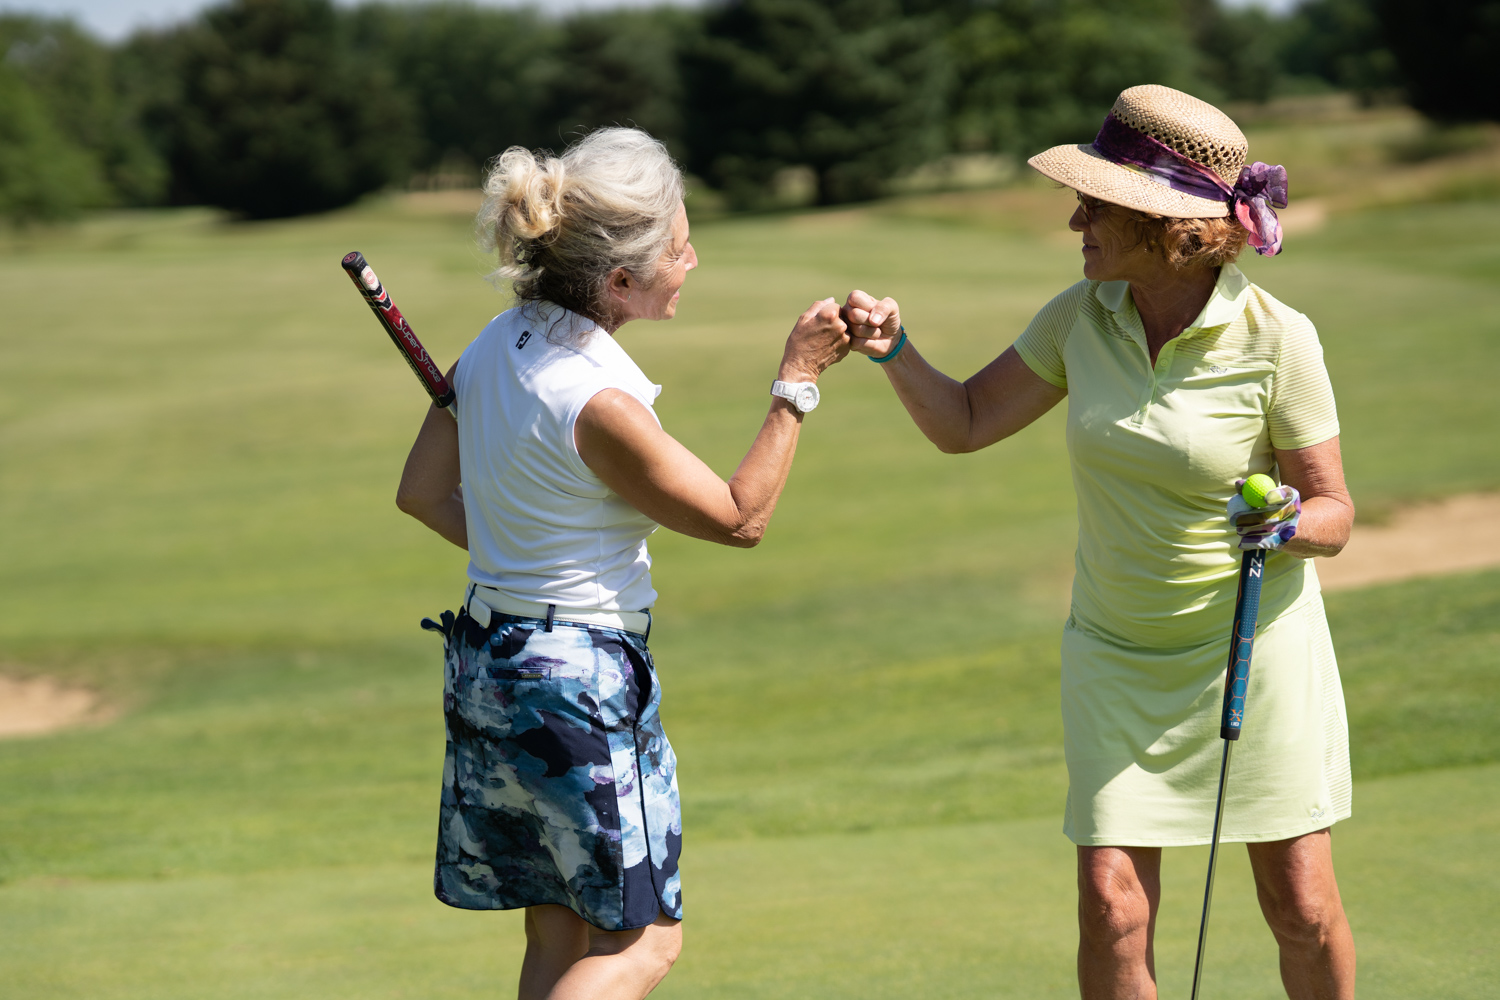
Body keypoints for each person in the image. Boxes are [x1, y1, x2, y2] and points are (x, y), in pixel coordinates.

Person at [842, 85, 1356, 1000]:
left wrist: (1283, 523)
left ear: (1169, 227)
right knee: (1111, 908)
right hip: (1115, 656)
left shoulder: (1279, 340)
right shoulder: (1081, 315)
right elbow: (966, 421)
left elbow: (1334, 512)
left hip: (1251, 651)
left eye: (1097, 206)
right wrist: (893, 349)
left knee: (1300, 908)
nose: (1076, 221)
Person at [395, 127, 849, 1000]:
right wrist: (798, 380)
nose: (692, 260)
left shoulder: (490, 345)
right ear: (619, 282)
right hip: (576, 683)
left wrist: (523, 553)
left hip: (490, 663)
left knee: (557, 930)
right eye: (678, 248)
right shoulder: (600, 402)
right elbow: (740, 518)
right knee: (642, 945)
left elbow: (421, 493)